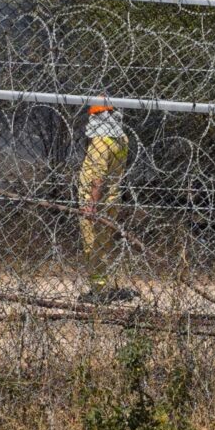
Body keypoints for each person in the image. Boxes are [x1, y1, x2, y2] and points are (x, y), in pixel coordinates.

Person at [77, 101, 136, 303]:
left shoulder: (100, 142)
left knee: (92, 247)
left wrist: (91, 205)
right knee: (103, 245)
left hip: (96, 201)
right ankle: (102, 286)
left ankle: (98, 291)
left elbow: (98, 178)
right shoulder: (121, 139)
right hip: (112, 199)